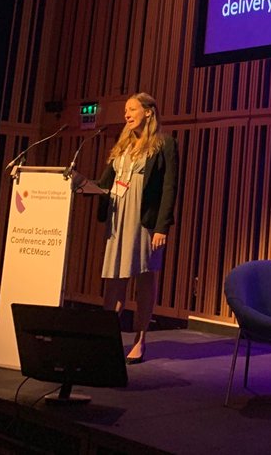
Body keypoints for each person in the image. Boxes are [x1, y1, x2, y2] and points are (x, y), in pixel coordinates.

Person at [94, 93, 178, 364]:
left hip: (144, 220)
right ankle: (105, 338)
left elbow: (169, 187)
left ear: (149, 112)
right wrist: (79, 184)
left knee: (144, 278)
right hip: (118, 219)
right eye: (125, 111)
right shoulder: (123, 145)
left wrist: (161, 227)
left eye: (132, 109)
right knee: (114, 280)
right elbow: (105, 182)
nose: (126, 115)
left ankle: (140, 339)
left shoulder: (164, 143)